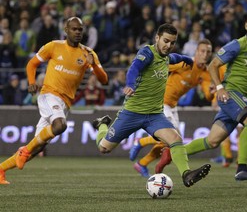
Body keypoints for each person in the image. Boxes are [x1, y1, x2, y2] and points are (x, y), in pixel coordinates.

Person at [156, 12, 247, 181]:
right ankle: (242, 168)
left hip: (239, 98)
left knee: (212, 141)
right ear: (246, 26)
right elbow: (213, 65)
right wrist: (219, 88)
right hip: (230, 93)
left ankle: (174, 153)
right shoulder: (237, 45)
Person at [92, 23, 211, 188]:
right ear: (157, 38)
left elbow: (175, 57)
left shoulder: (167, 57)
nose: (168, 45)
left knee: (176, 139)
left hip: (155, 115)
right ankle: (102, 125)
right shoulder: (147, 53)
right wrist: (130, 84)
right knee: (104, 148)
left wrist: (186, 59)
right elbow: (134, 68)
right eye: (165, 41)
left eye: (172, 42)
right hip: (132, 113)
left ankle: (186, 174)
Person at [0, 17, 108, 185]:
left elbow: (104, 80)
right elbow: (31, 64)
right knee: (60, 126)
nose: (78, 32)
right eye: (74, 29)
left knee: (38, 148)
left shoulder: (88, 53)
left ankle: (1, 169)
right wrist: (31, 82)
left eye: (80, 29)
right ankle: (24, 151)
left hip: (65, 103)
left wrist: (93, 65)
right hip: (49, 95)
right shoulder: (53, 46)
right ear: (66, 30)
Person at [128, 39, 217, 177]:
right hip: (161, 102)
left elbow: (207, 95)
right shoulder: (185, 64)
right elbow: (161, 66)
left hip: (172, 106)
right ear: (196, 52)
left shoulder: (205, 74)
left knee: (172, 142)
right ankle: (141, 141)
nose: (205, 54)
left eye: (208, 52)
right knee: (172, 137)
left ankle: (142, 163)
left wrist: (212, 93)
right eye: (202, 51)